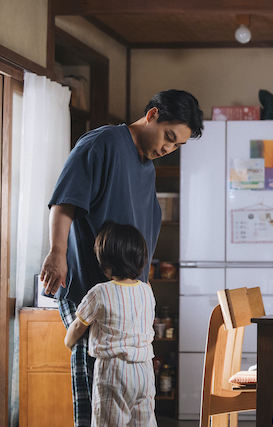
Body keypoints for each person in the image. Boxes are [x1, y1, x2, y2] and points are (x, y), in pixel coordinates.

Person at [40, 89, 203, 427]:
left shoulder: (147, 167)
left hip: (128, 297)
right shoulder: (102, 144)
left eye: (176, 146)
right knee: (96, 392)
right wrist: (57, 253)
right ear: (153, 115)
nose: (167, 149)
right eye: (168, 137)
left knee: (132, 399)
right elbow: (64, 202)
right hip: (89, 287)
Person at [65, 222, 157, 427]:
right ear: (141, 261)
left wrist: (69, 342)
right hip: (144, 369)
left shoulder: (100, 292)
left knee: (109, 421)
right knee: (144, 421)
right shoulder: (147, 290)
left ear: (105, 265)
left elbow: (79, 325)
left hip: (113, 370)